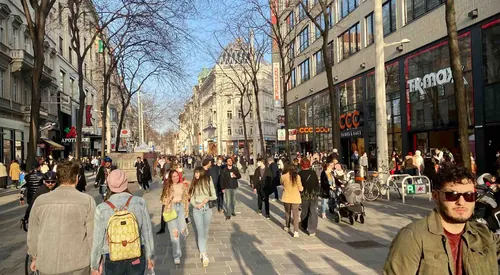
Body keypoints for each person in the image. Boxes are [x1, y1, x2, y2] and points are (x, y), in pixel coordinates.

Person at [383, 163, 500, 275]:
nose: (461, 202)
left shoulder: (484, 235)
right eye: (452, 195)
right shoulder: (413, 237)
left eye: (469, 195)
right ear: (435, 196)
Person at [27, 161, 96, 275]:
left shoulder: (41, 201)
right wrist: (95, 263)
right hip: (77, 263)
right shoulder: (87, 201)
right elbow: (92, 235)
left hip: (47, 262)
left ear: (58, 178)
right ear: (77, 178)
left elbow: (33, 233)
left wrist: (34, 256)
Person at [90, 169, 155, 275]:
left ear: (109, 185)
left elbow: (98, 240)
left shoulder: (102, 208)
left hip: (113, 255)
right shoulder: (140, 202)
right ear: (126, 183)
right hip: (136, 253)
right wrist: (150, 256)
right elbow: (147, 232)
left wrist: (95, 265)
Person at [160, 169, 190, 264]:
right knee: (175, 233)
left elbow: (187, 197)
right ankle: (176, 255)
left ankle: (178, 249)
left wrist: (188, 186)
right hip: (171, 209)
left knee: (183, 232)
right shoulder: (168, 187)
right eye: (173, 176)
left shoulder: (182, 185)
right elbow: (163, 201)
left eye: (177, 176)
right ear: (170, 178)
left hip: (180, 208)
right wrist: (170, 197)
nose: (176, 178)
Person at [189, 167, 217, 267]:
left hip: (207, 209)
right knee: (200, 232)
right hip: (197, 210)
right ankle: (204, 254)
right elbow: (191, 197)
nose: (196, 175)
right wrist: (196, 205)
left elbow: (214, 196)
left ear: (201, 173)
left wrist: (206, 199)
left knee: (205, 231)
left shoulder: (208, 180)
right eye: (195, 173)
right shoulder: (194, 182)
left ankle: (202, 249)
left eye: (197, 173)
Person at [281, 163, 303, 237]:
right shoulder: (297, 177)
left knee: (287, 213)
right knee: (296, 215)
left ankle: (287, 227)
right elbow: (300, 188)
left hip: (286, 197)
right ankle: (296, 231)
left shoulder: (283, 176)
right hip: (295, 198)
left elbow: (281, 183)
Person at [298, 159, 320, 236]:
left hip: (304, 195)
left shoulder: (299, 174)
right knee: (313, 212)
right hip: (314, 195)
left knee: (305, 211)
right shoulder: (313, 173)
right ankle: (312, 230)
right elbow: (317, 183)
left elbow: (299, 185)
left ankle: (304, 226)